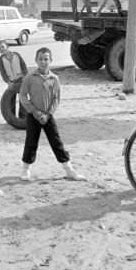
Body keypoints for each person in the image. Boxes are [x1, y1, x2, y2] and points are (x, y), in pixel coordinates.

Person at [19, 47, 85, 181]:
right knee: (31, 142)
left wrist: (48, 114)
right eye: (40, 59)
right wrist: (34, 111)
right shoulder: (30, 78)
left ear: (51, 60)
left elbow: (56, 99)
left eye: (46, 59)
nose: (43, 62)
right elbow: (23, 96)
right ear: (36, 60)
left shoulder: (54, 78)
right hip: (33, 116)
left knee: (57, 142)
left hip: (48, 116)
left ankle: (69, 170)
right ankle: (25, 170)